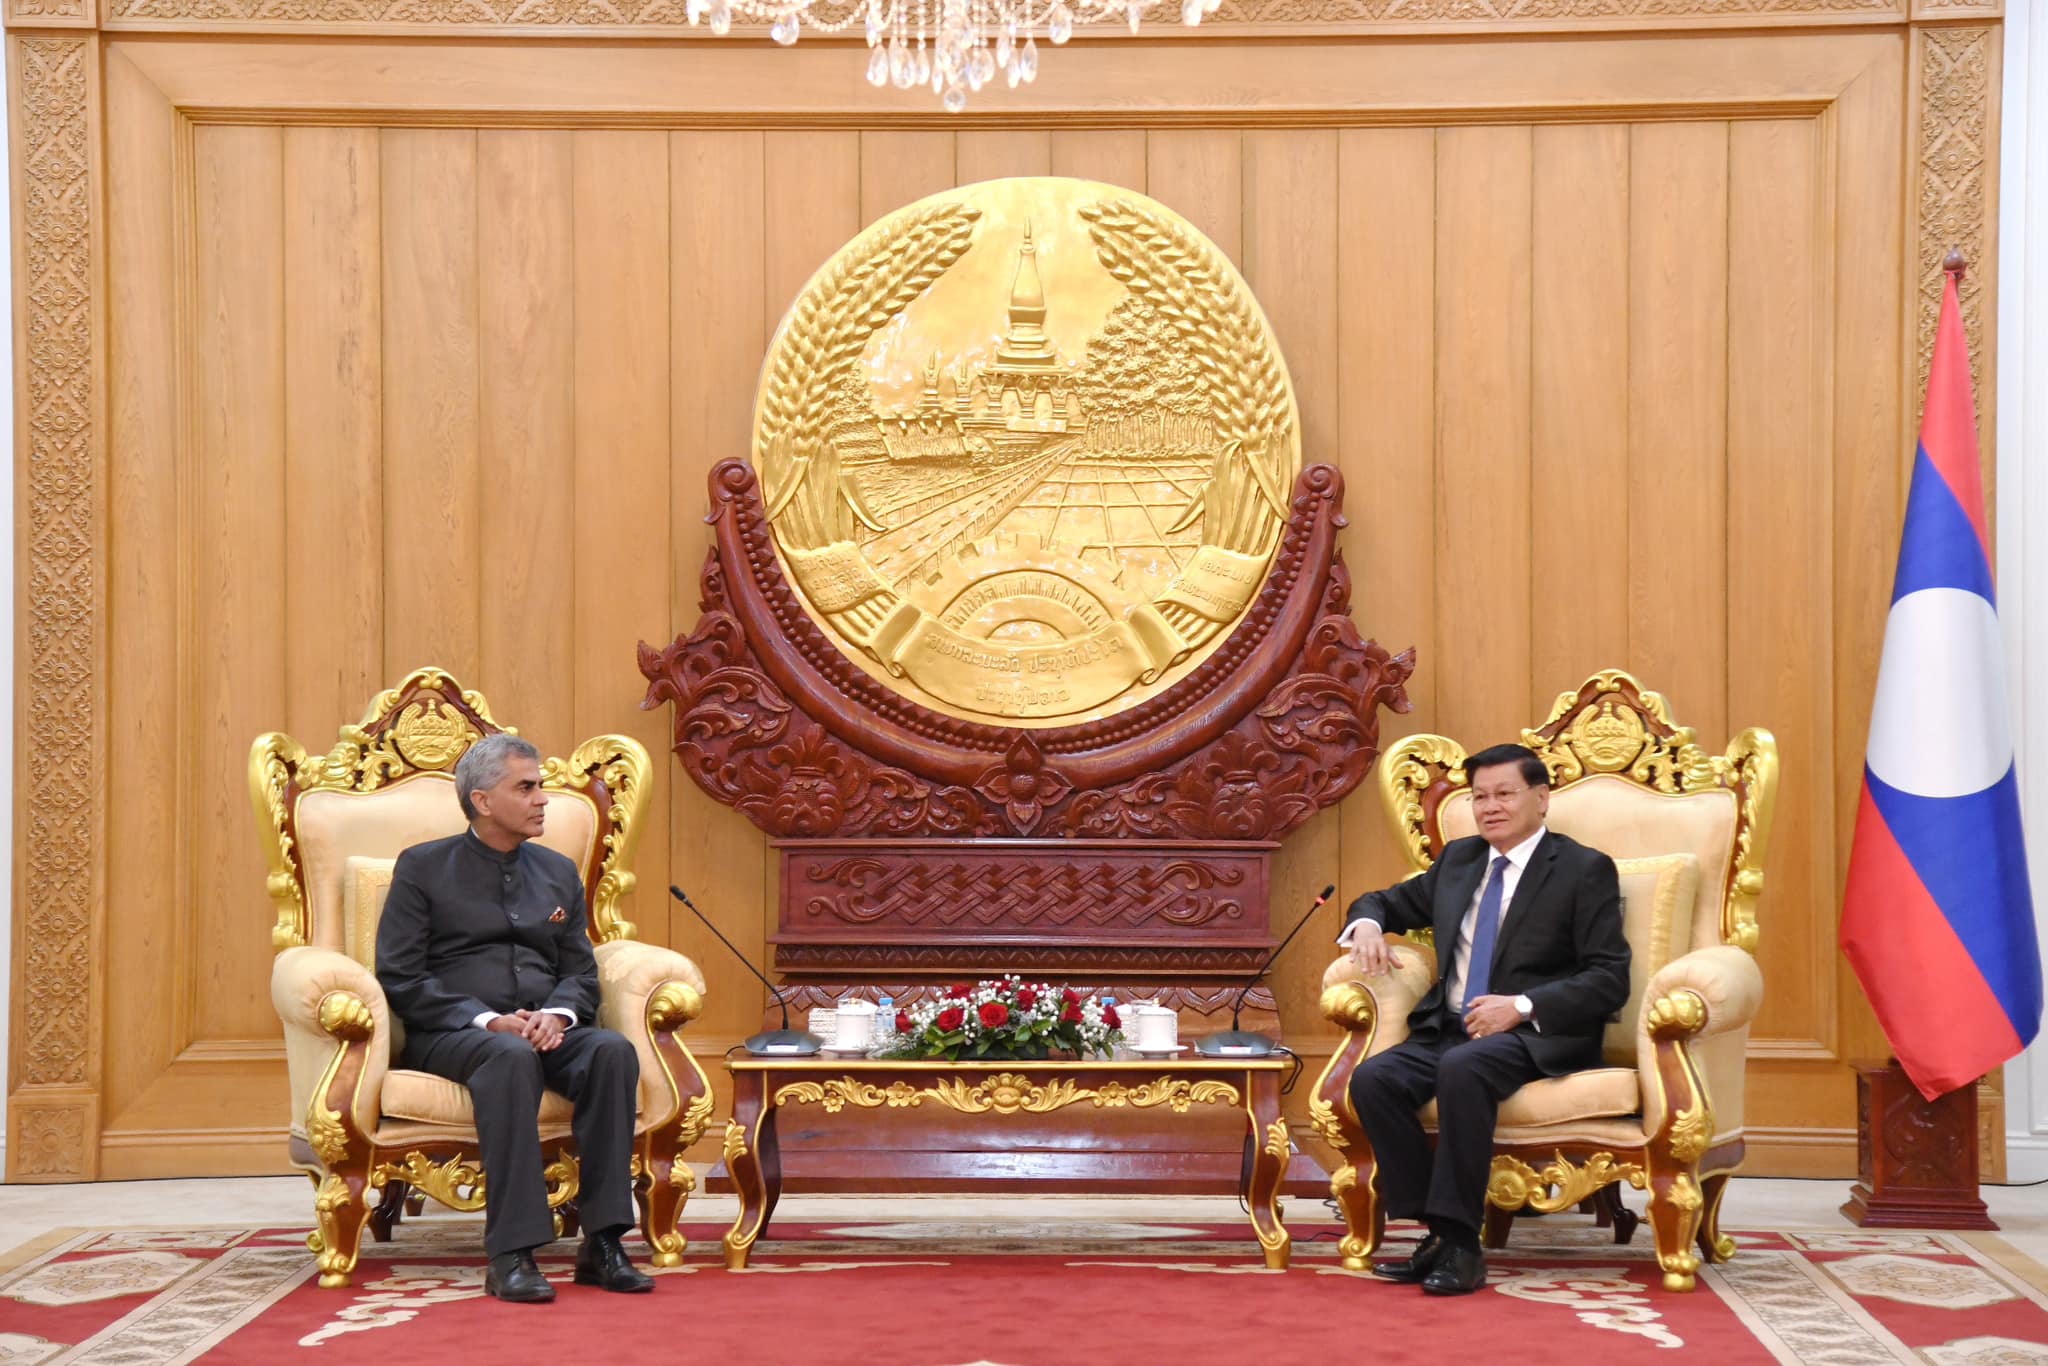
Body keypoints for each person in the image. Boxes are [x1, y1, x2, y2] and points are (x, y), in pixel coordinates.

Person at [1337, 742, 1629, 1295]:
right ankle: (1437, 1231)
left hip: (1536, 1035)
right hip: (1448, 1030)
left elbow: (1610, 977)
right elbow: (1384, 901)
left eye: (1504, 794)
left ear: (1540, 799)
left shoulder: (1582, 869)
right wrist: (1369, 926)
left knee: (1465, 1069)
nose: (1490, 807)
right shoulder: (1460, 860)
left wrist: (1519, 1007)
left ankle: (1463, 1247)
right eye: (1479, 797)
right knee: (1374, 1080)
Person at [375, 733, 655, 1304]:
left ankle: (602, 1244)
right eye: (525, 787)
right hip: (456, 1036)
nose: (541, 799)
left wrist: (557, 1015)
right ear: (482, 800)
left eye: (541, 787)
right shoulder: (423, 867)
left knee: (610, 1051)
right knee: (508, 1054)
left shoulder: (555, 871)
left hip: (541, 1031)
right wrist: (485, 1021)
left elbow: (580, 970)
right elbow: (399, 974)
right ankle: (512, 1254)